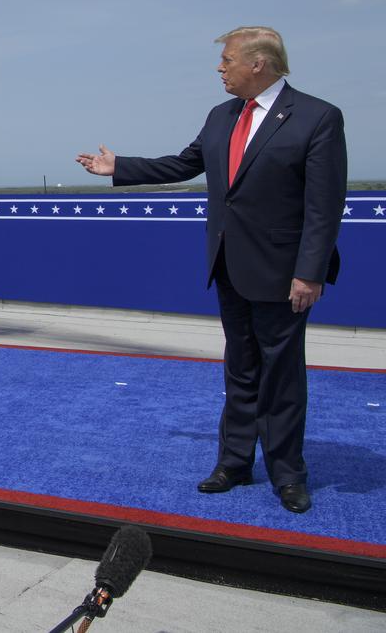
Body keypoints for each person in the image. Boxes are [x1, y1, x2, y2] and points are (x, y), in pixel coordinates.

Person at [76, 26, 347, 514]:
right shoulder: (222, 116)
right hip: (228, 266)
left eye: (226, 60)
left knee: (281, 376)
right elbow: (184, 164)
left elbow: (324, 207)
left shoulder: (317, 117)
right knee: (240, 370)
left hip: (285, 274)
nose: (219, 69)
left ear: (258, 64)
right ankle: (235, 463)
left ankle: (288, 474)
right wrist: (119, 168)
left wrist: (309, 273)